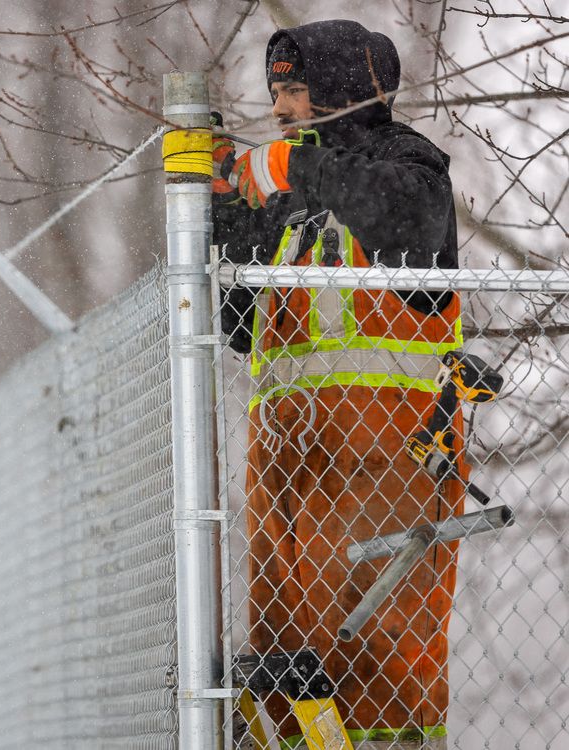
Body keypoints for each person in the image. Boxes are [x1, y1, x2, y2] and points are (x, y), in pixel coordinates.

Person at [213, 20, 464, 750]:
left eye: (296, 89)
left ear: (346, 89)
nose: (282, 107)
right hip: (290, 469)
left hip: (387, 458)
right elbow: (235, 326)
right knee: (283, 653)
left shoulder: (408, 164)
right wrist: (226, 219)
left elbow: (408, 225)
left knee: (380, 657)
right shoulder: (293, 196)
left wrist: (293, 169)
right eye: (277, 91)